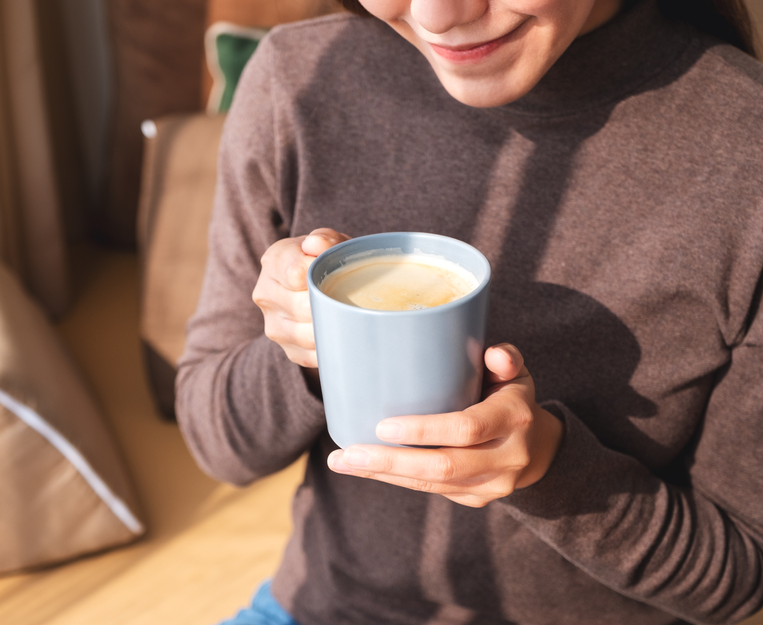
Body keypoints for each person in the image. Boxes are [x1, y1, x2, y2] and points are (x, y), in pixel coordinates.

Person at [175, 0, 763, 623]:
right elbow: (217, 443)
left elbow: (743, 576)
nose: (435, 16)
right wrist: (313, 350)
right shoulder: (299, 78)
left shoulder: (742, 154)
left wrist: (551, 471)